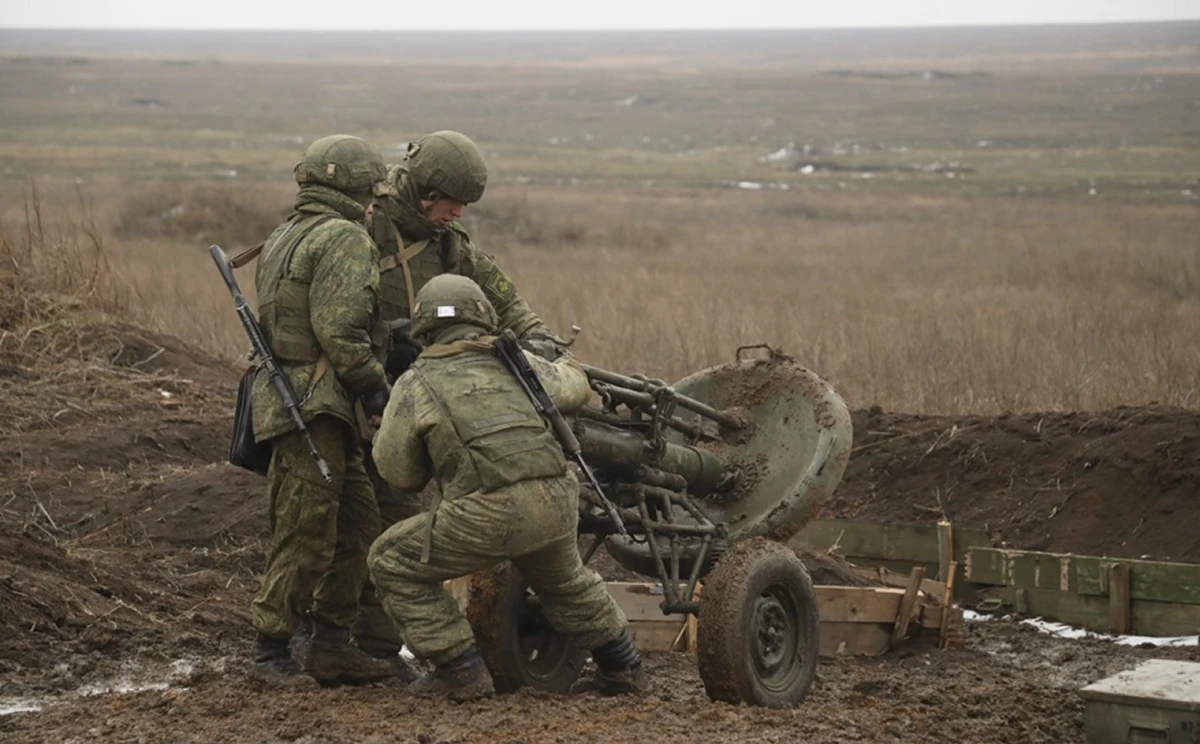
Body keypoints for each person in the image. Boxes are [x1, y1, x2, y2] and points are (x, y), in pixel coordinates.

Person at [366, 274, 647, 701]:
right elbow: (574, 386)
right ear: (483, 315)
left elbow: (400, 477)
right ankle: (623, 666)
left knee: (389, 559)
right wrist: (566, 361)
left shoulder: (415, 384)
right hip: (554, 500)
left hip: (490, 512)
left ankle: (459, 668)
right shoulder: (517, 362)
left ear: (421, 327)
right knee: (566, 582)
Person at [351, 130, 561, 667]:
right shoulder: (359, 228)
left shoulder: (450, 247)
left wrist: (541, 350)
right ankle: (326, 636)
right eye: (453, 203)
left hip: (414, 409)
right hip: (354, 394)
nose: (459, 213)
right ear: (426, 190)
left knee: (396, 523)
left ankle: (377, 649)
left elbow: (506, 303)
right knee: (339, 527)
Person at [248, 134, 394, 685]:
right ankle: (271, 648)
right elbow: (341, 331)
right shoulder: (343, 237)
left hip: (310, 405)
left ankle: (332, 642)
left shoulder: (286, 233)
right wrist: (375, 386)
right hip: (313, 404)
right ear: (355, 191)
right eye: (370, 192)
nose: (375, 202)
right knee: (305, 530)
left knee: (358, 525)